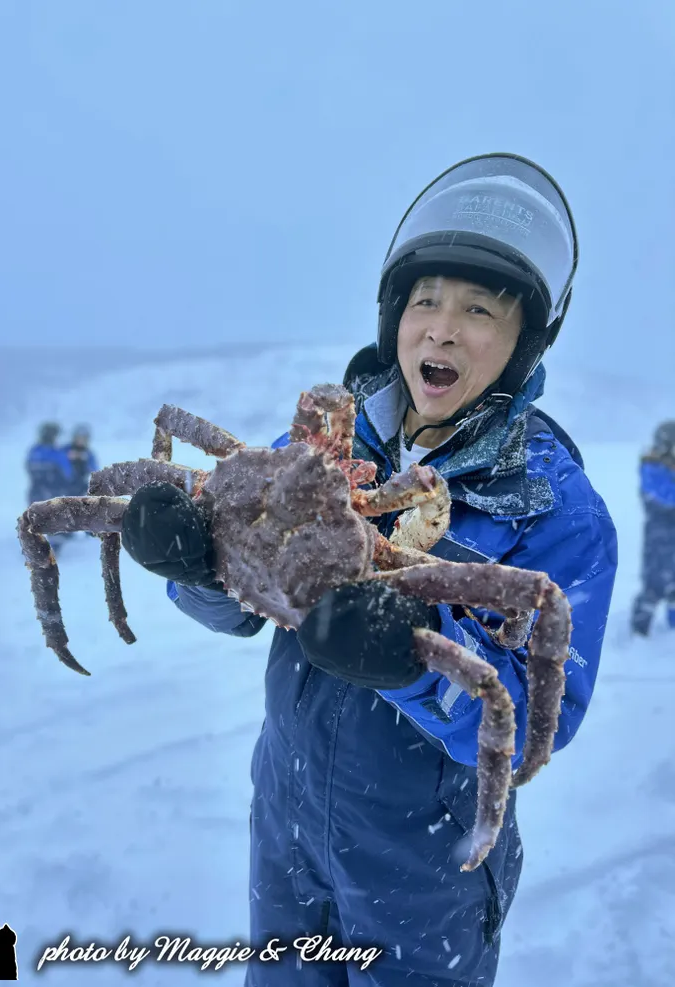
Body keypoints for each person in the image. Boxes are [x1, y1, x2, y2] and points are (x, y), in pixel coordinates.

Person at [120, 154, 618, 985]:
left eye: (478, 309)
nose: (442, 328)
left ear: (525, 338)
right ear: (393, 315)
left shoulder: (556, 511)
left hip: (427, 860)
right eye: (424, 300)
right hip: (286, 819)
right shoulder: (326, 446)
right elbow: (246, 604)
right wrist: (200, 565)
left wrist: (414, 661)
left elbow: (540, 721)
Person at [631, 420, 675, 635]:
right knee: (654, 584)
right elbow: (666, 497)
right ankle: (639, 633)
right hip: (659, 537)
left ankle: (671, 632)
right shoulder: (653, 467)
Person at [26, 422, 72, 555]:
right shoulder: (55, 453)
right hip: (47, 489)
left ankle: (43, 545)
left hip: (42, 489)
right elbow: (67, 473)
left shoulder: (36, 451)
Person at [61, 423, 99, 497]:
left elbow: (95, 470)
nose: (81, 441)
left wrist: (84, 460)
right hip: (64, 485)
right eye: (79, 438)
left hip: (80, 486)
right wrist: (67, 458)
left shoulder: (88, 453)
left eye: (83, 438)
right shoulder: (65, 449)